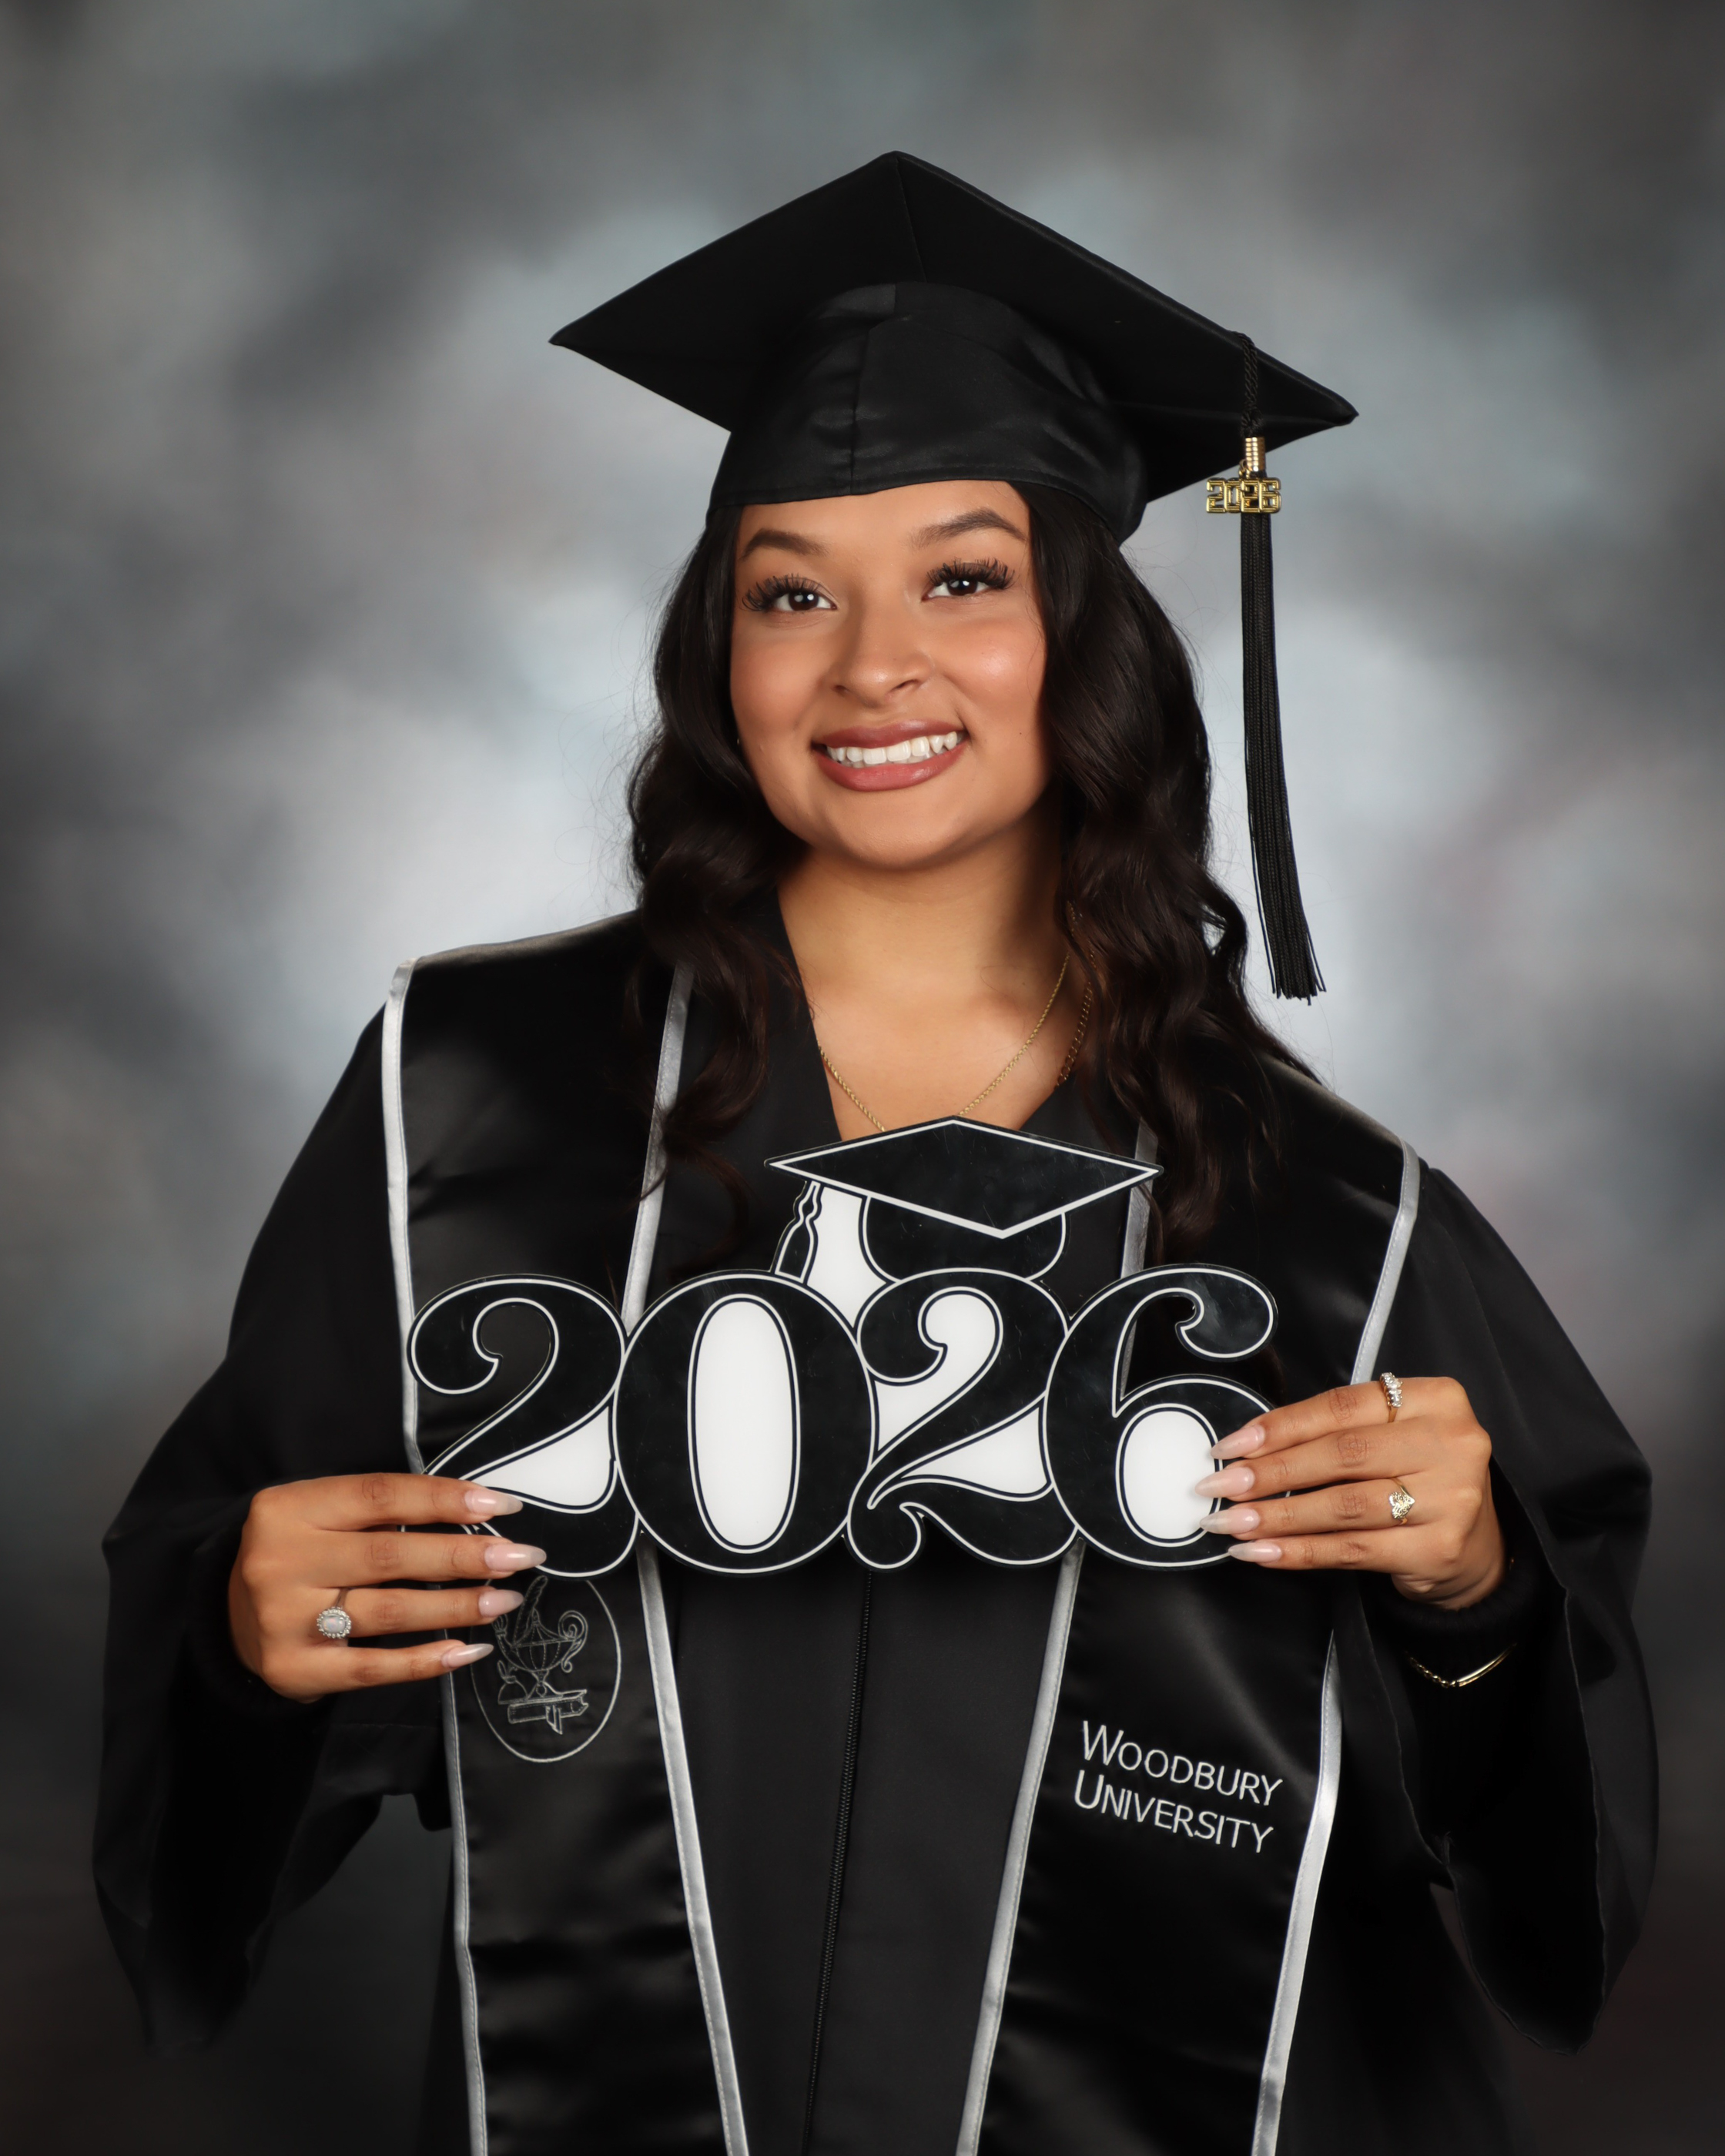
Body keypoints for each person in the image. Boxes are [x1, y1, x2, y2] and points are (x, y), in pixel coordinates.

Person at [98, 155, 1654, 2156]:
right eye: (792, 592)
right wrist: (253, 1641)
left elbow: (1549, 1852)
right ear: (720, 651)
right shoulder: (467, 1103)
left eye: (964, 578)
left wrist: (1480, 1591)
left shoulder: (1329, 1216)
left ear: (1083, 630)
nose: (868, 665)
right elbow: (244, 1621)